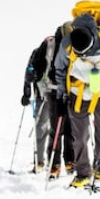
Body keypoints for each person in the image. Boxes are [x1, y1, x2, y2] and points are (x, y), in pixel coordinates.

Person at [52, 7, 100, 188]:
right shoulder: (67, 44)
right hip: (77, 93)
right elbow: (60, 69)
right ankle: (83, 173)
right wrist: (60, 96)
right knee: (79, 136)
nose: (80, 55)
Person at [21, 26, 75, 176]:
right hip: (45, 92)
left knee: (64, 127)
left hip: (64, 91)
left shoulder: (74, 46)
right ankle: (40, 161)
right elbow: (30, 70)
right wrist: (27, 91)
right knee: (43, 127)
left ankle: (65, 161)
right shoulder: (45, 48)